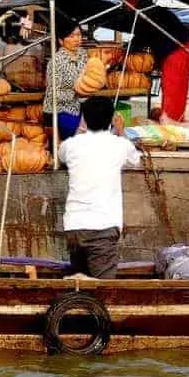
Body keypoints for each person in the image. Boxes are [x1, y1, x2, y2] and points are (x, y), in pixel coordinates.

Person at [57, 97, 142, 279]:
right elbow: (136, 160)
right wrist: (120, 131)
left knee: (80, 287)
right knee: (102, 291)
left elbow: (61, 155)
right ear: (111, 118)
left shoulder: (71, 145)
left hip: (74, 228)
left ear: (84, 119)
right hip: (102, 228)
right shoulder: (120, 145)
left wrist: (81, 129)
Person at [123, 0, 189, 124]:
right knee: (177, 89)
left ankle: (170, 124)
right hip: (182, 47)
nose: (124, 4)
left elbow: (140, 37)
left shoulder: (145, 12)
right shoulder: (152, 9)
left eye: (125, 0)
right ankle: (174, 120)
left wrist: (125, 52)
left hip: (176, 50)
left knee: (172, 89)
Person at [42, 13, 88, 141]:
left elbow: (90, 78)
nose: (77, 39)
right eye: (71, 36)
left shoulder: (84, 55)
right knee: (78, 133)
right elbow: (53, 94)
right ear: (61, 40)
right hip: (62, 111)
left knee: (103, 126)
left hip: (83, 107)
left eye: (79, 35)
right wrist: (77, 93)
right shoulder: (56, 61)